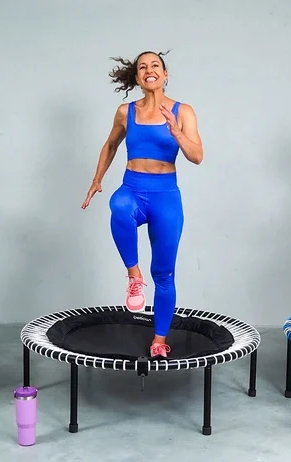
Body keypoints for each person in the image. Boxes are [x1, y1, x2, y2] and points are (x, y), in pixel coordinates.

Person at [81, 51, 203, 358]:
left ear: (165, 75)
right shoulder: (126, 112)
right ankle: (134, 276)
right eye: (143, 67)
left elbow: (197, 156)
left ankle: (159, 340)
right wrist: (97, 178)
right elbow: (111, 144)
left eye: (155, 66)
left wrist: (176, 132)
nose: (149, 70)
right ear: (137, 78)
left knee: (164, 274)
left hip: (166, 197)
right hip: (133, 188)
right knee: (118, 206)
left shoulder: (183, 111)